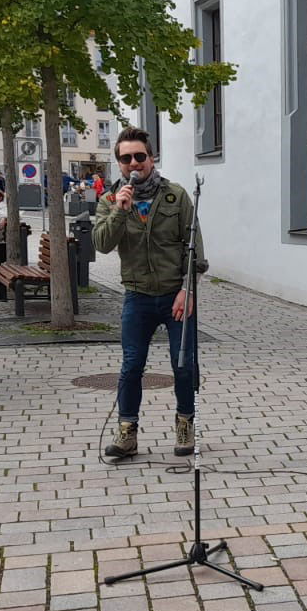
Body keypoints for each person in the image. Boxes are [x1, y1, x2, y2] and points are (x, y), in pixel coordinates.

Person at [93, 126, 205, 461]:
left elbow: (195, 250)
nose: (134, 163)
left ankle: (185, 424)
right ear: (120, 164)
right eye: (126, 159)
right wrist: (119, 210)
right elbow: (101, 243)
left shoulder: (176, 195)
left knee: (183, 364)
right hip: (137, 297)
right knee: (130, 367)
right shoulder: (110, 201)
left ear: (151, 158)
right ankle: (127, 433)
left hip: (175, 295)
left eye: (139, 156)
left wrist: (188, 290)